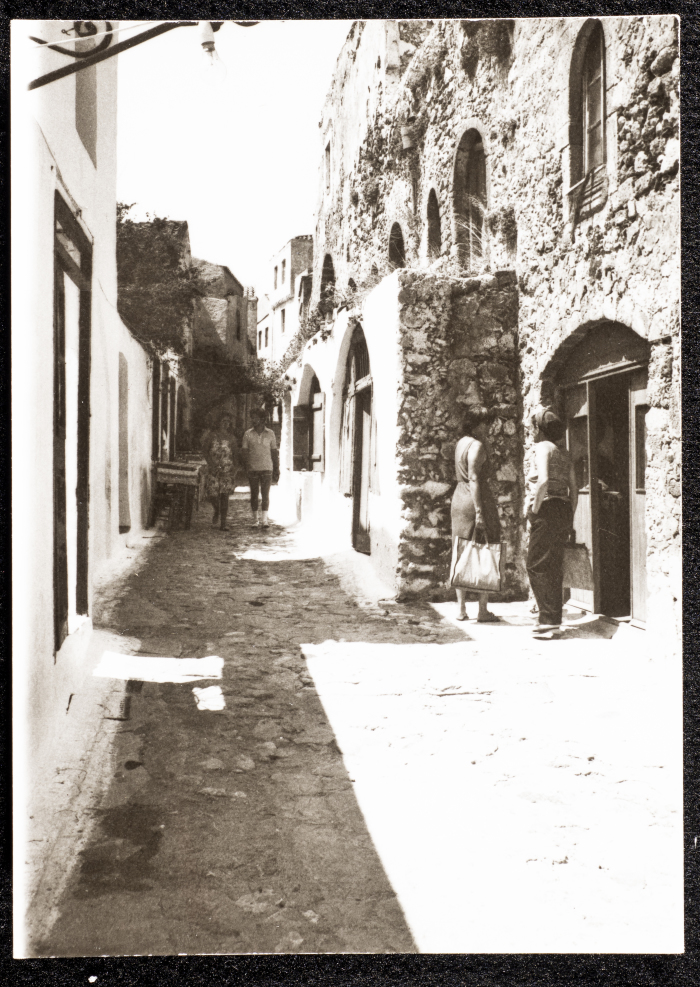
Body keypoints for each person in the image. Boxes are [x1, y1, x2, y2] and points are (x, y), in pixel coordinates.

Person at [526, 408, 579, 640]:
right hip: (564, 509)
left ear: (539, 429)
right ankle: (553, 619)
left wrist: (534, 511)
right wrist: (570, 517)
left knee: (535, 564)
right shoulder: (565, 453)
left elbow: (543, 481)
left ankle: (547, 621)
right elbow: (574, 491)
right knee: (554, 564)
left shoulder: (541, 448)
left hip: (546, 508)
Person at [451, 421, 502, 622]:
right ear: (476, 426)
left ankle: (461, 609)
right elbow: (474, 478)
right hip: (475, 499)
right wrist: (480, 511)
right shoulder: (477, 445)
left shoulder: (460, 443)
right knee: (485, 548)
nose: (487, 427)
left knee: (461, 549)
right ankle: (482, 610)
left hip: (459, 498)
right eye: (484, 424)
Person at [202, 413, 242, 531]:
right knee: (212, 494)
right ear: (218, 422)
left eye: (228, 422)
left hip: (227, 471)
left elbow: (235, 455)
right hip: (213, 470)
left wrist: (235, 469)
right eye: (223, 421)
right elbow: (205, 451)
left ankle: (223, 523)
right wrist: (211, 464)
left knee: (224, 496)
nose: (226, 423)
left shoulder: (232, 438)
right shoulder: (211, 436)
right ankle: (217, 509)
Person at [242, 409, 280, 528]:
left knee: (265, 494)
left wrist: (276, 468)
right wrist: (246, 467)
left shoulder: (270, 434)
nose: (253, 420)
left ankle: (264, 520)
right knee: (254, 494)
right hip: (253, 468)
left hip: (267, 468)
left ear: (262, 419)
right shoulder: (248, 434)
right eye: (252, 418)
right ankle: (255, 520)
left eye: (255, 417)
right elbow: (244, 452)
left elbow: (274, 452)